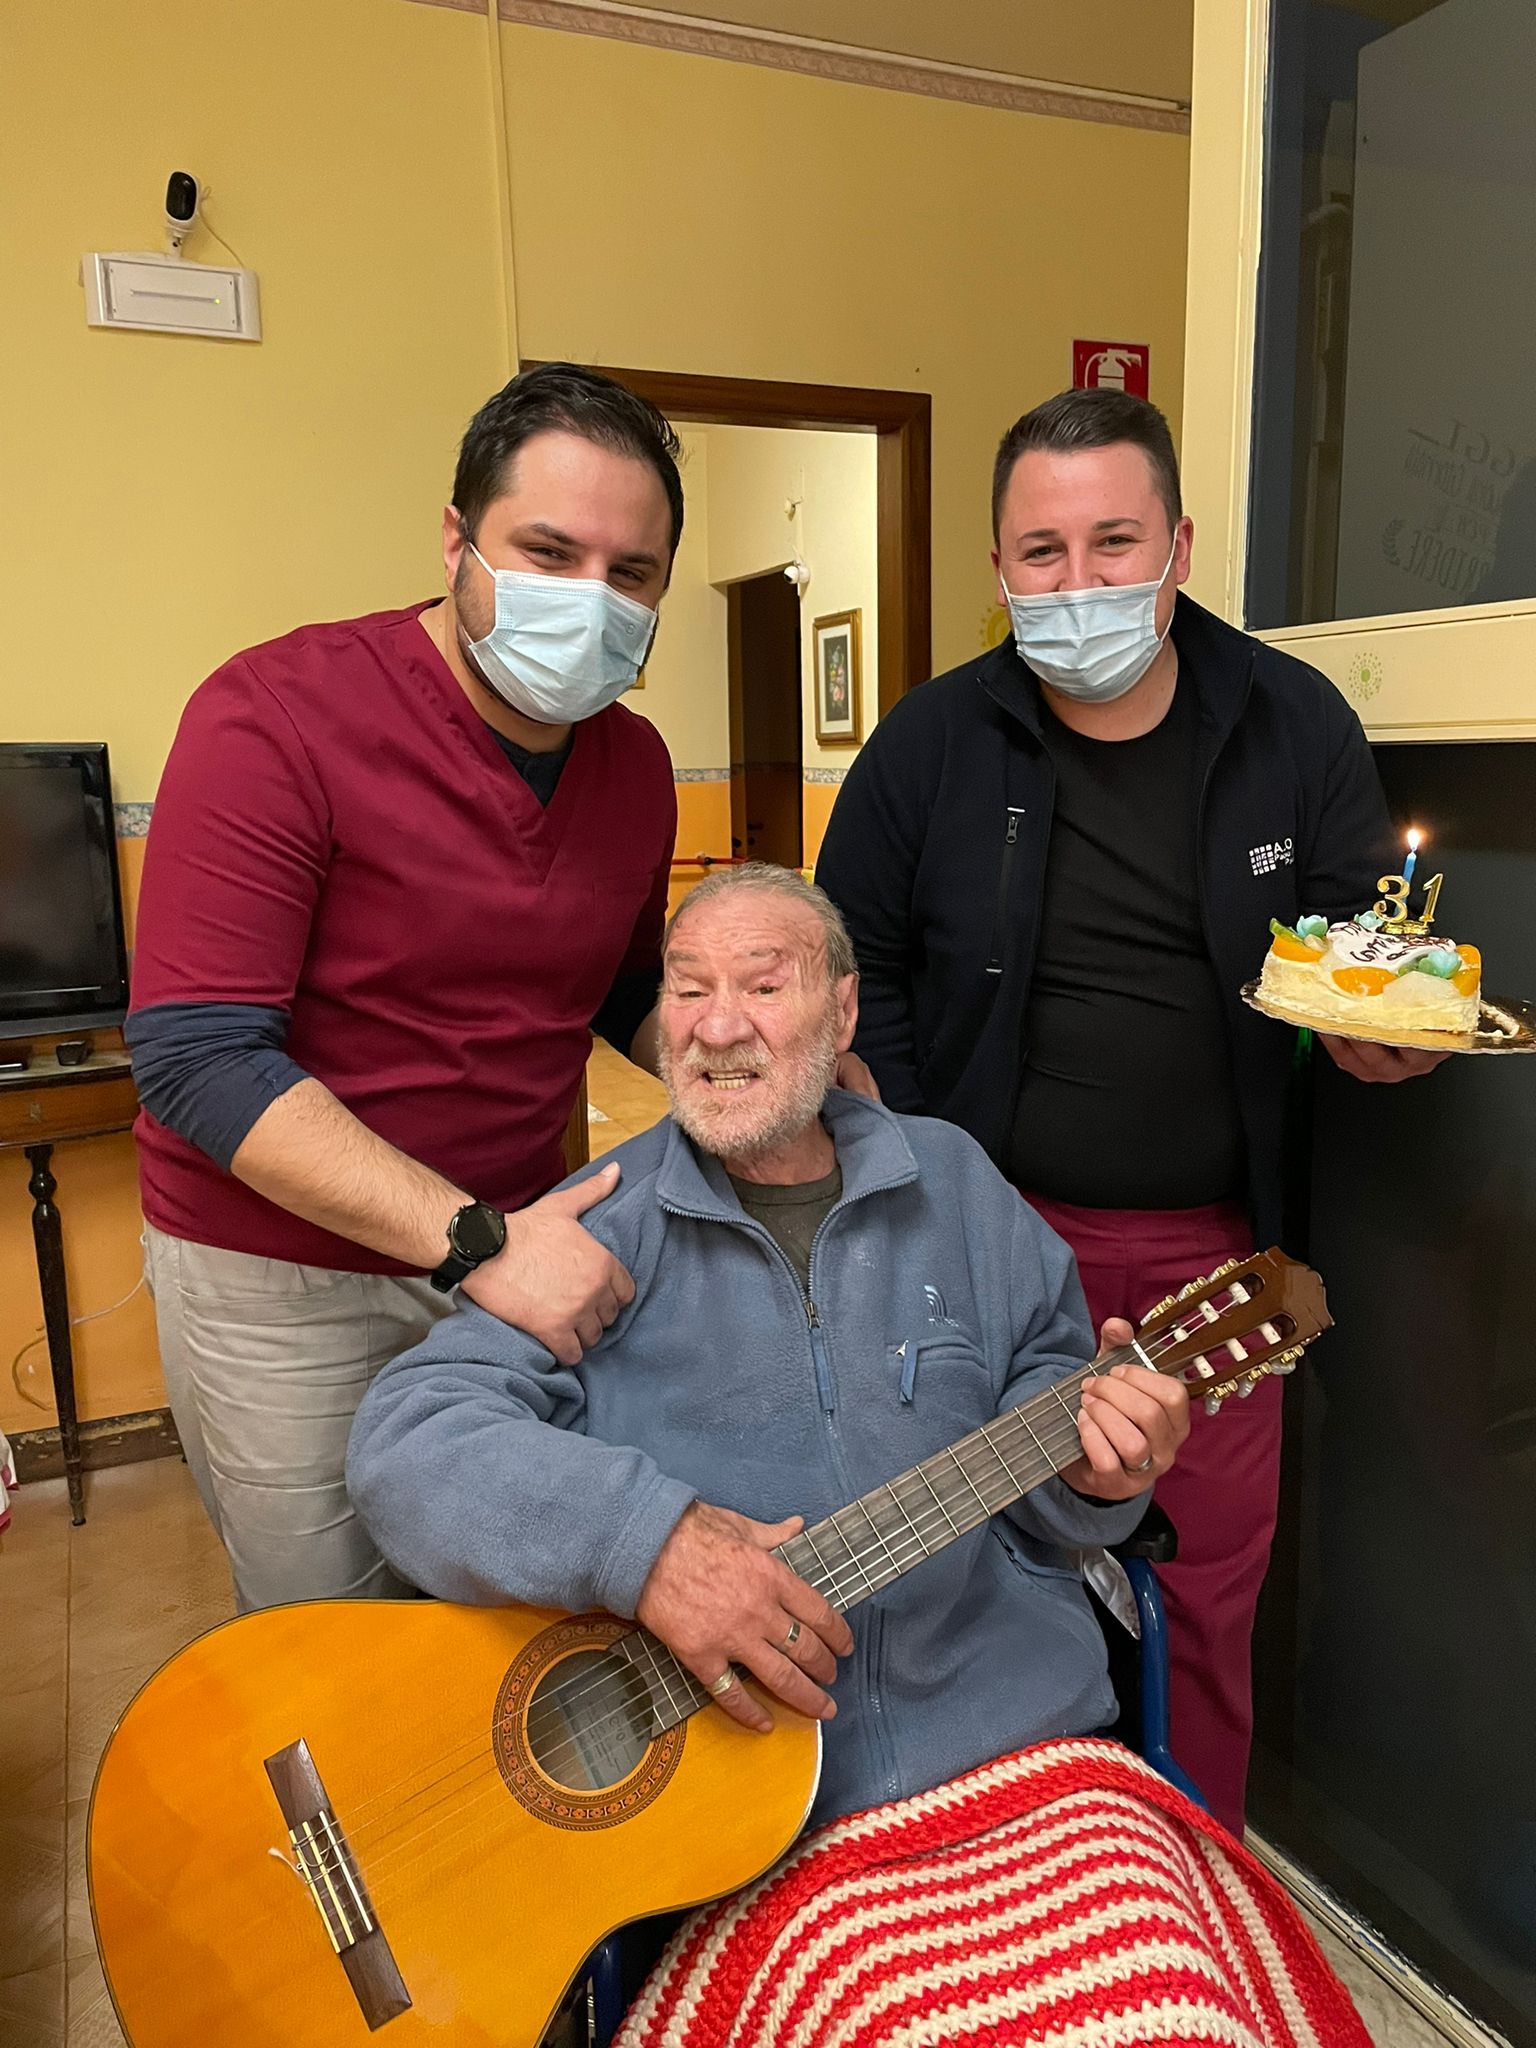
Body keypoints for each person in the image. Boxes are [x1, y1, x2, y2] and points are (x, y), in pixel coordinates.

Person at [812, 386, 1446, 1834]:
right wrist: (912, 1161)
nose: (1080, 582)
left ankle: (1188, 1874)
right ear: (996, 568)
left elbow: (1359, 951)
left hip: (1228, 1265)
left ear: (1179, 546)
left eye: (1115, 543)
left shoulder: (1292, 722)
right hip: (980, 1249)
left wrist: (1378, 1036)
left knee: (1207, 1591)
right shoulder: (928, 746)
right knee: (966, 1583)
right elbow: (856, 968)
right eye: (1042, 551)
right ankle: (1000, 1876)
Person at [346, 864, 1190, 1829]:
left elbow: (1045, 1394)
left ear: (842, 1014)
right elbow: (406, 1442)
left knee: (1188, 1978)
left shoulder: (953, 1179)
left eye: (761, 983)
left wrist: (1099, 1475)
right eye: (688, 988)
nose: (716, 1027)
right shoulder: (596, 1231)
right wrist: (650, 1547)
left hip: (1013, 1749)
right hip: (742, 1815)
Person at [127, 363, 684, 1612]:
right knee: (342, 1638)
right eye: (547, 550)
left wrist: (730, 1045)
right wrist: (474, 1242)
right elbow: (199, 1055)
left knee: (513, 1603)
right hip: (289, 1275)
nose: (588, 600)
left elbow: (618, 987)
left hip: (524, 1239)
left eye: (629, 573)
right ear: (454, 541)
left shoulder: (635, 766)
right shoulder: (274, 716)